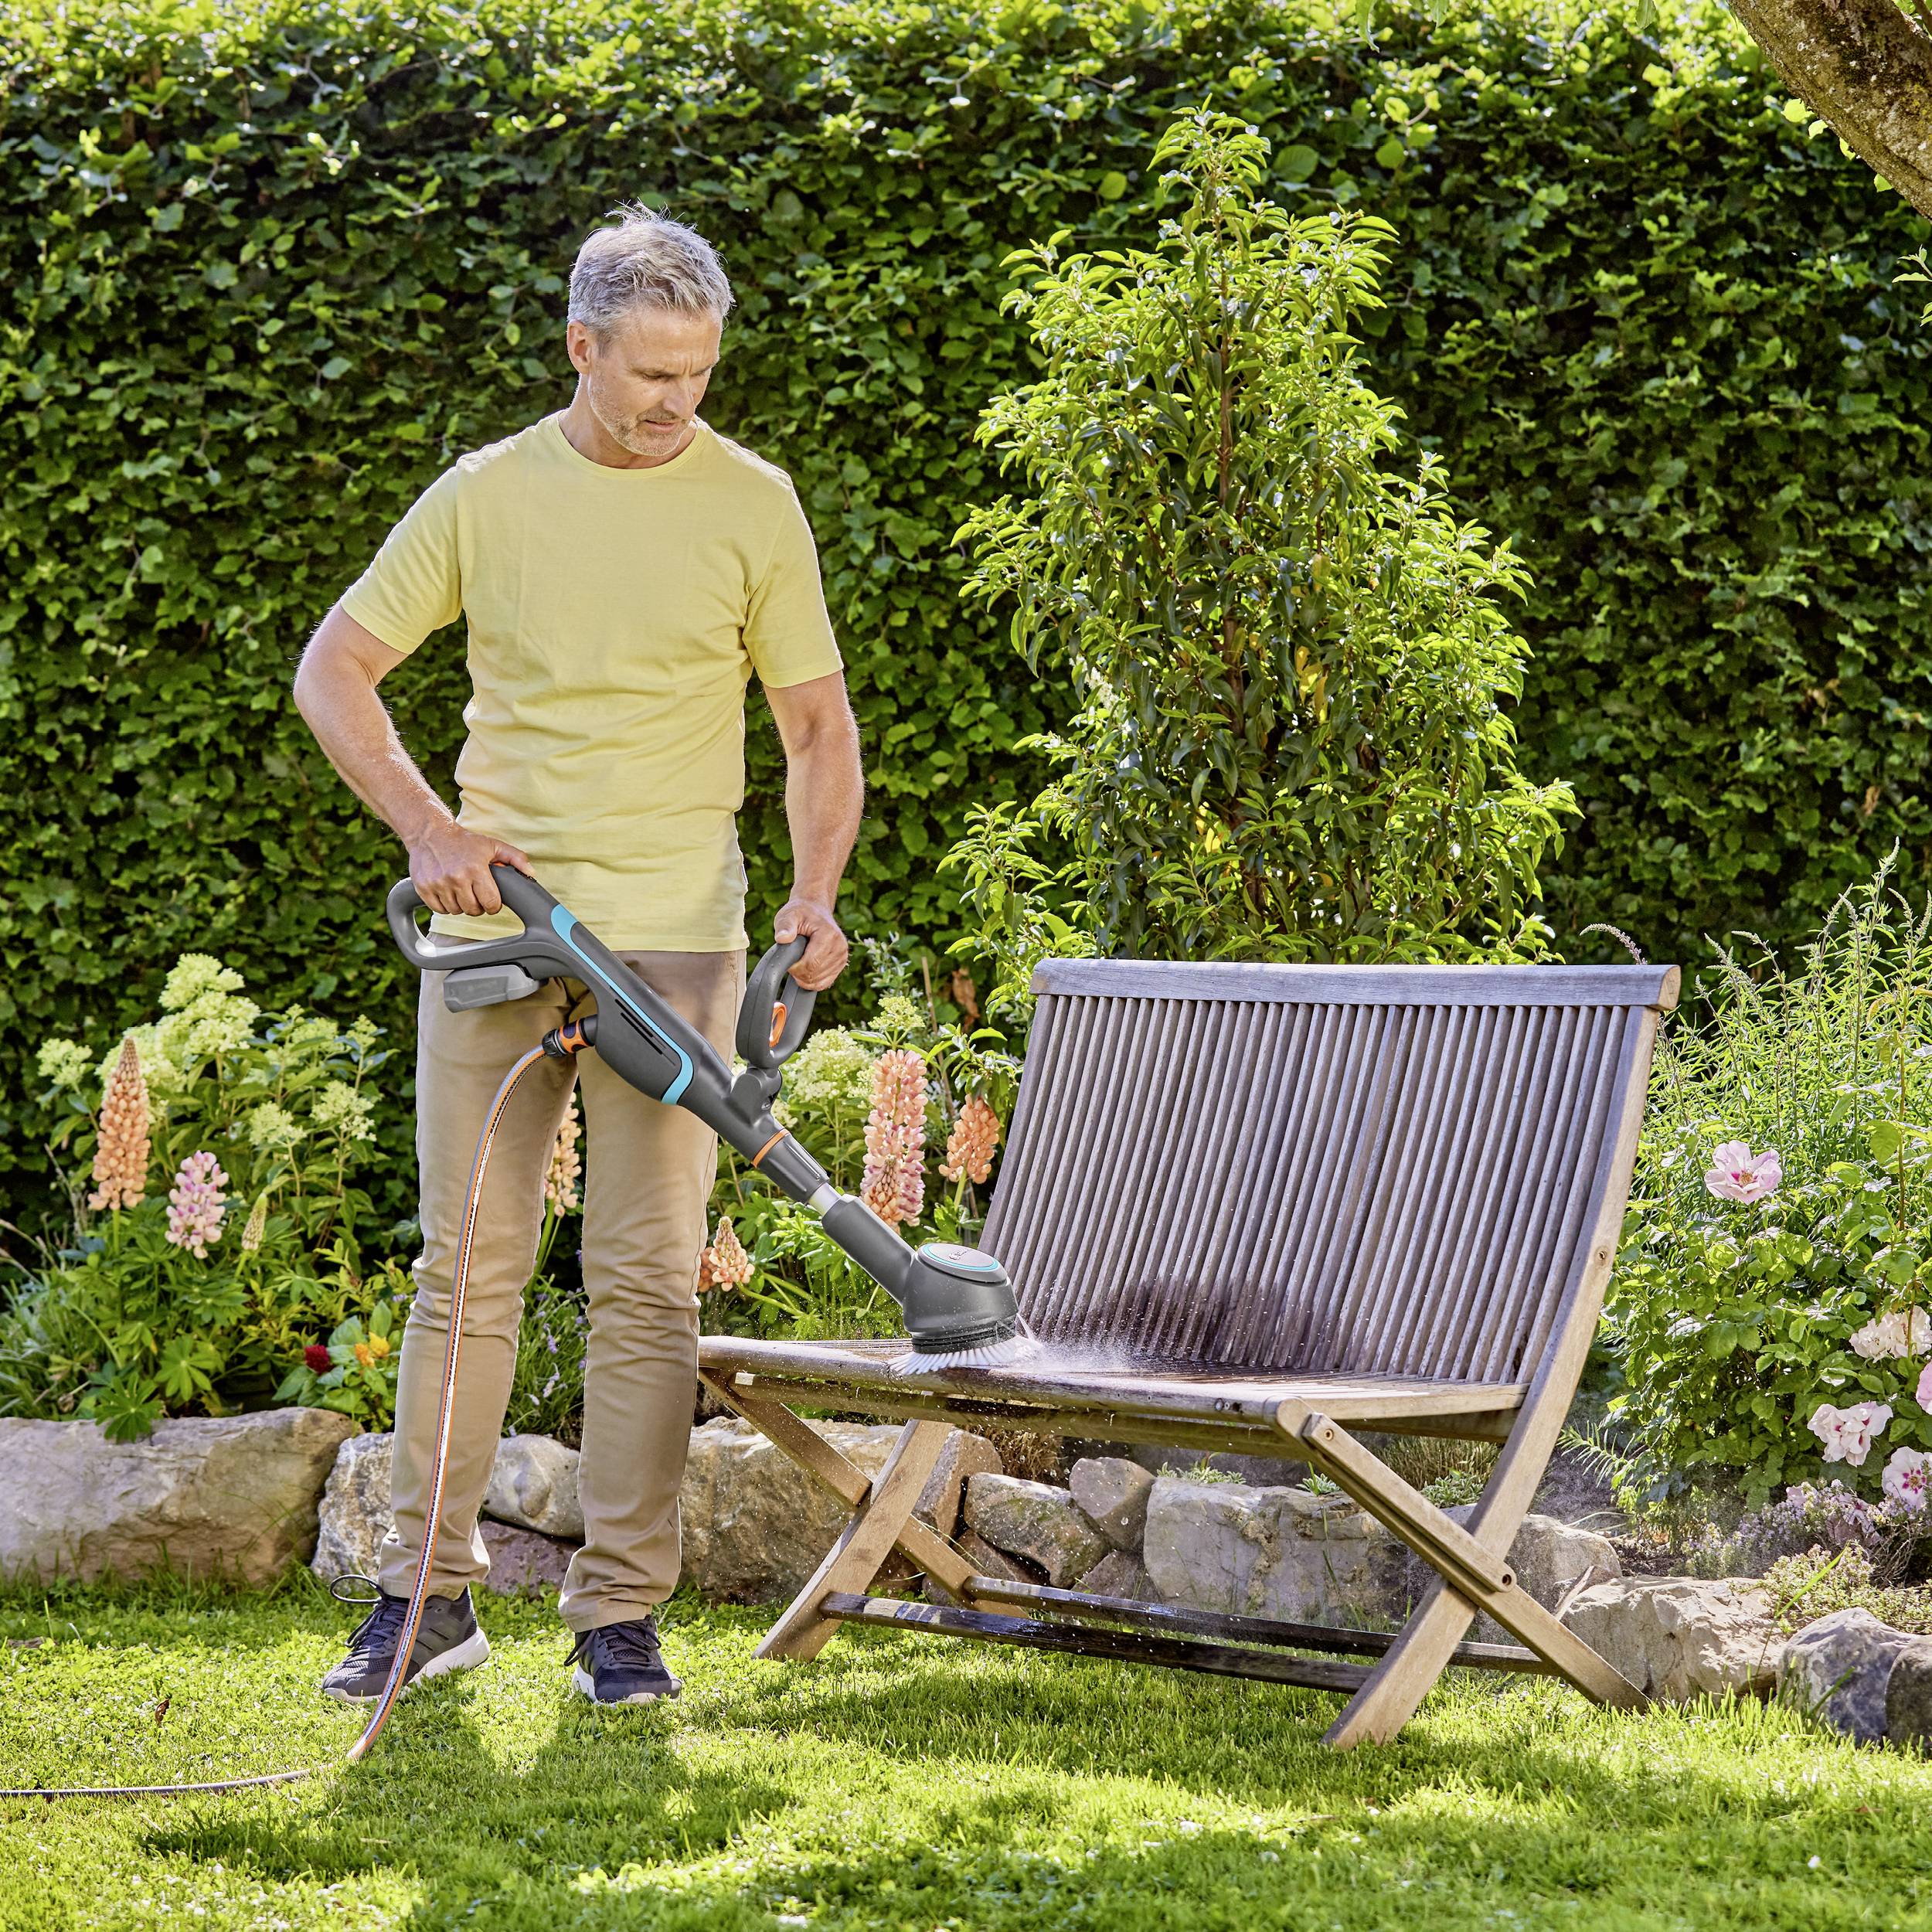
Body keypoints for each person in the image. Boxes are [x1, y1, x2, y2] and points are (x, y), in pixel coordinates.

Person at [291, 204, 861, 1706]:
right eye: (650, 373)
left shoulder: (752, 503)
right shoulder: (486, 497)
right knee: (462, 1276)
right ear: (581, 348)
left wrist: (813, 891)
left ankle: (618, 1615)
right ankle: (426, 1597)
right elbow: (334, 667)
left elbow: (813, 728)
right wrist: (427, 827)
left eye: (699, 372)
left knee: (647, 1287)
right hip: (502, 929)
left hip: (673, 941)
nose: (677, 401)